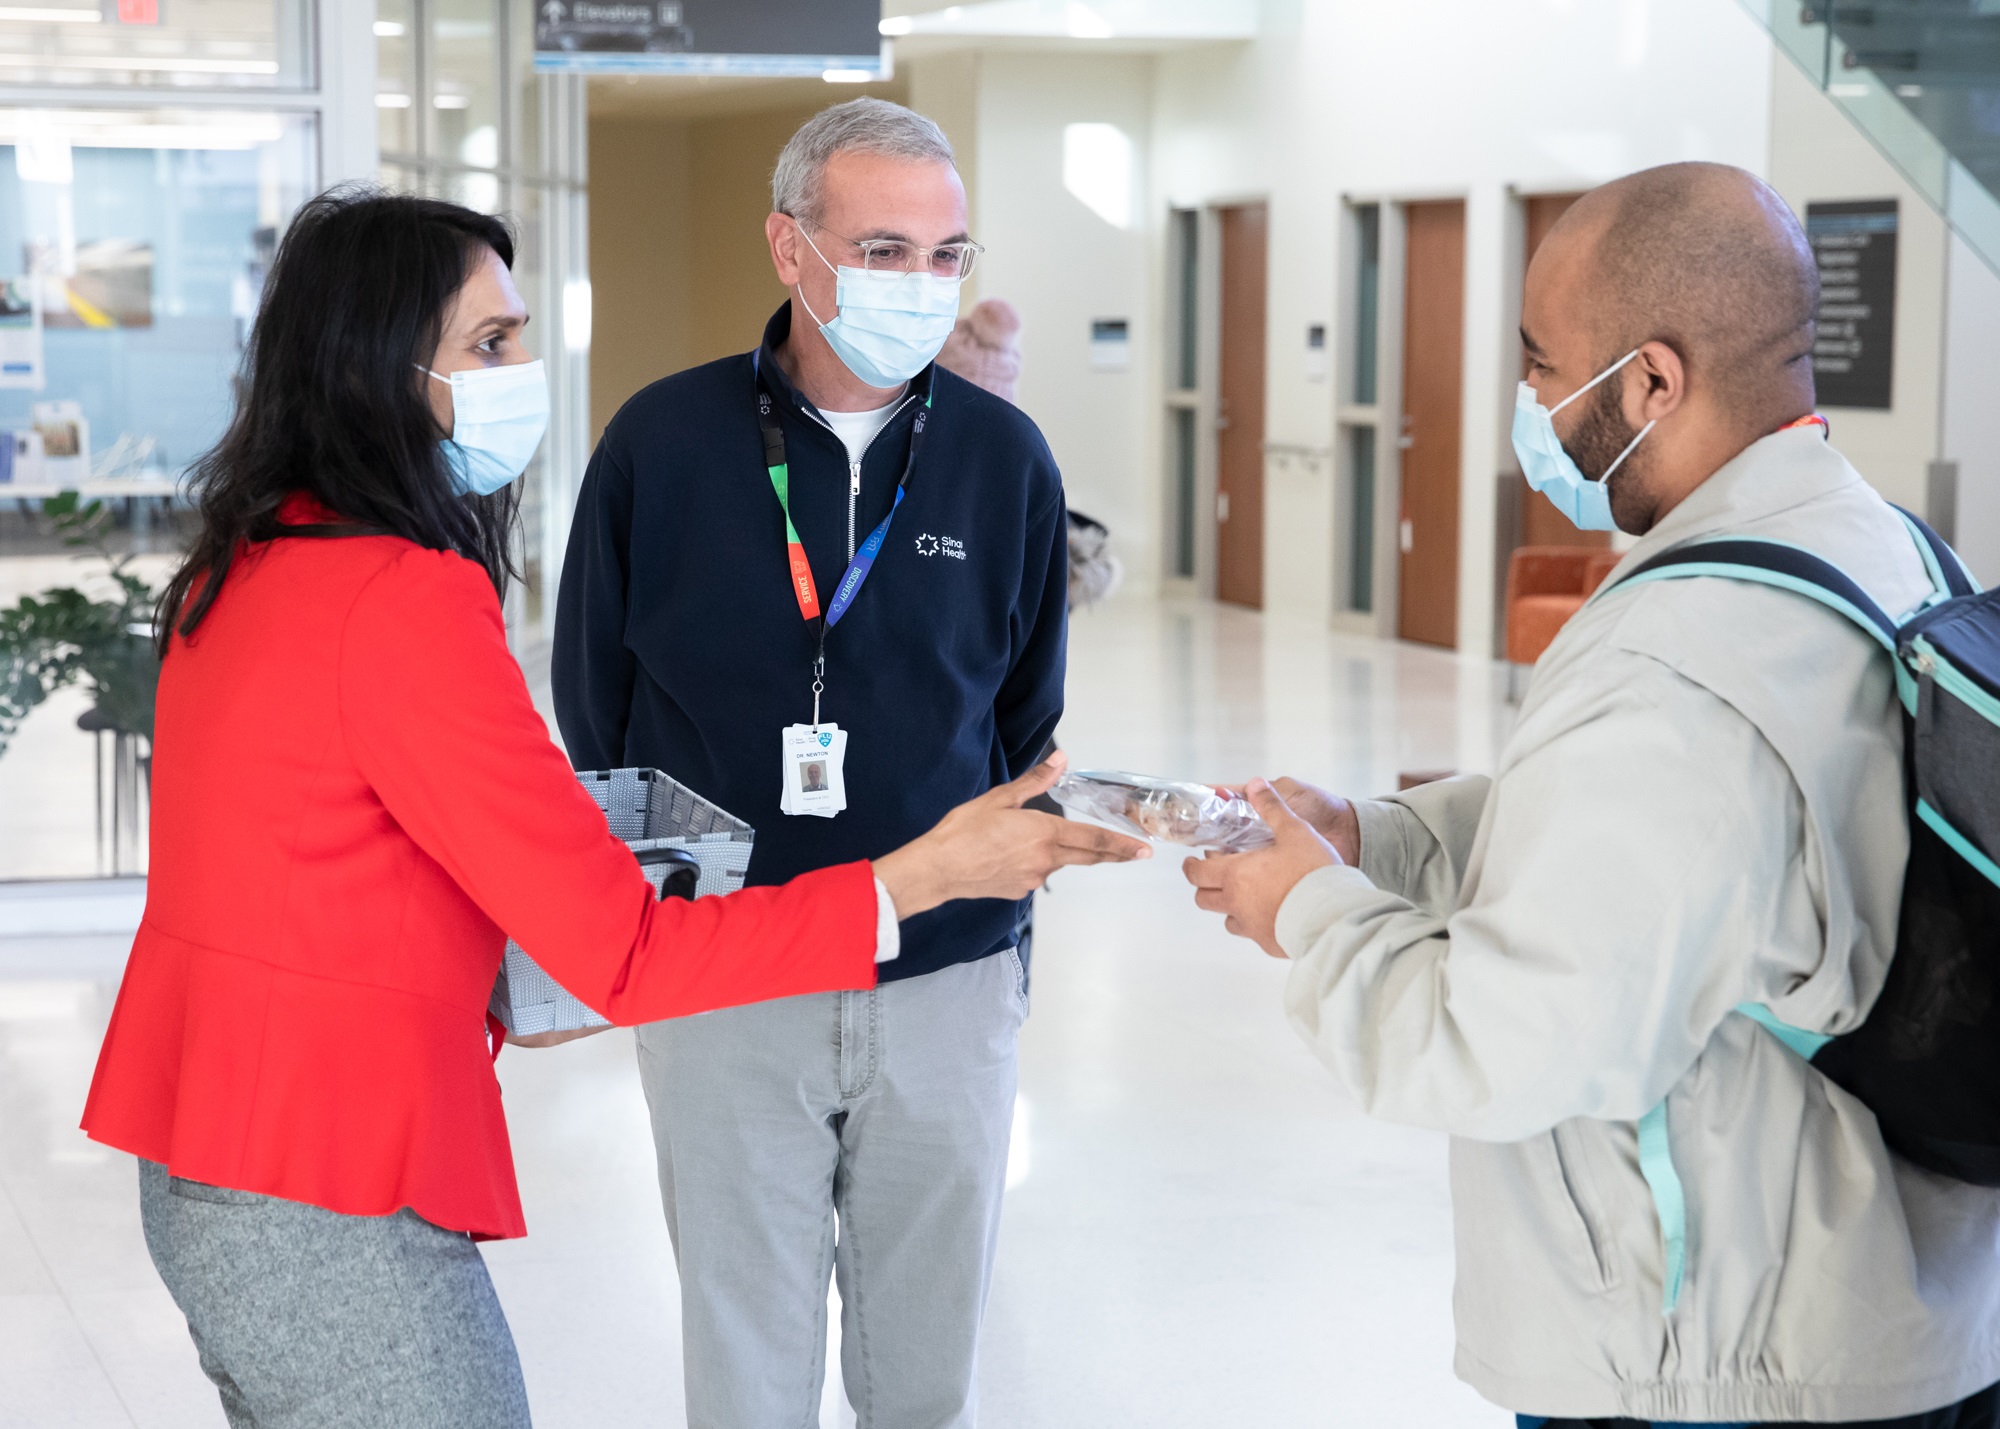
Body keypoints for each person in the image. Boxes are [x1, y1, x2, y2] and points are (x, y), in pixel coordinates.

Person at [79, 187, 1145, 1429]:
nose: (522, 370)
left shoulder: (248, 564)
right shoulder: (405, 596)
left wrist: (492, 964)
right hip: (325, 1183)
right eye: (489, 344)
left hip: (210, 1155)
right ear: (375, 367)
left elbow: (299, 853)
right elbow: (629, 948)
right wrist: (922, 872)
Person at [1185, 162, 2000, 1427]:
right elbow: (1698, 857)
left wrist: (1308, 910)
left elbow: (1497, 1048)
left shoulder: (1675, 660)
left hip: (1711, 1358)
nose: (1525, 400)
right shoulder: (1880, 549)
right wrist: (1380, 843)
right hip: (1899, 1305)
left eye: (1539, 361)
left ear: (1650, 380)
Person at [553, 98, 1070, 1428]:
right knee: (744, 1370)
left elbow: (1025, 718)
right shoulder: (661, 446)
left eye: (947, 256)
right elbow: (595, 702)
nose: (923, 285)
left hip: (945, 980)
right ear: (791, 249)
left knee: (924, 1373)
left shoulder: (1002, 460)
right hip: (727, 972)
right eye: (884, 250)